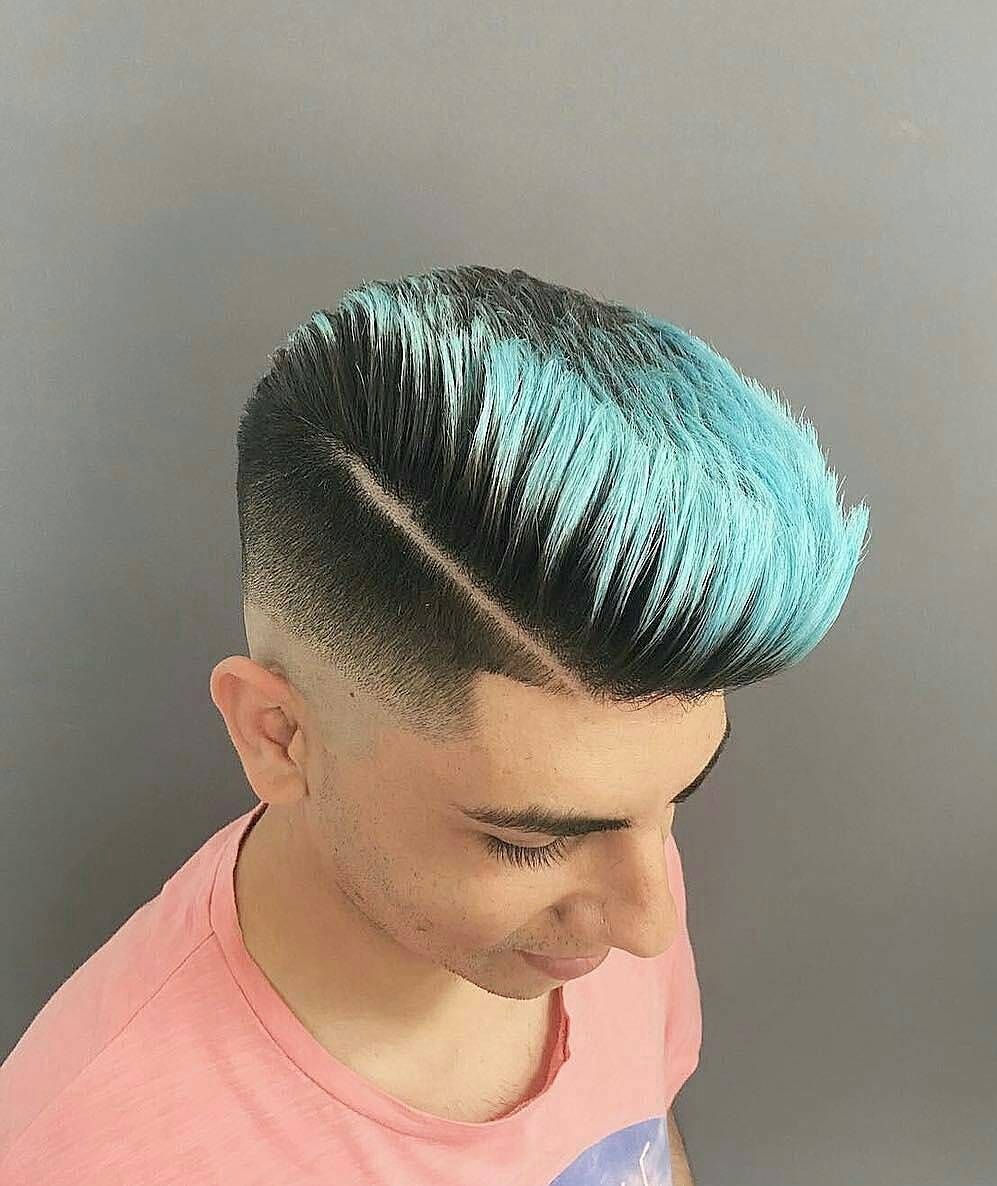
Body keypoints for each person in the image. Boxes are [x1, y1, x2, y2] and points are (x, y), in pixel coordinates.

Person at [0, 265, 870, 1184]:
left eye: (673, 802)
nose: (648, 925)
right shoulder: (95, 1155)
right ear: (278, 735)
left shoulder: (614, 869)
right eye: (529, 843)